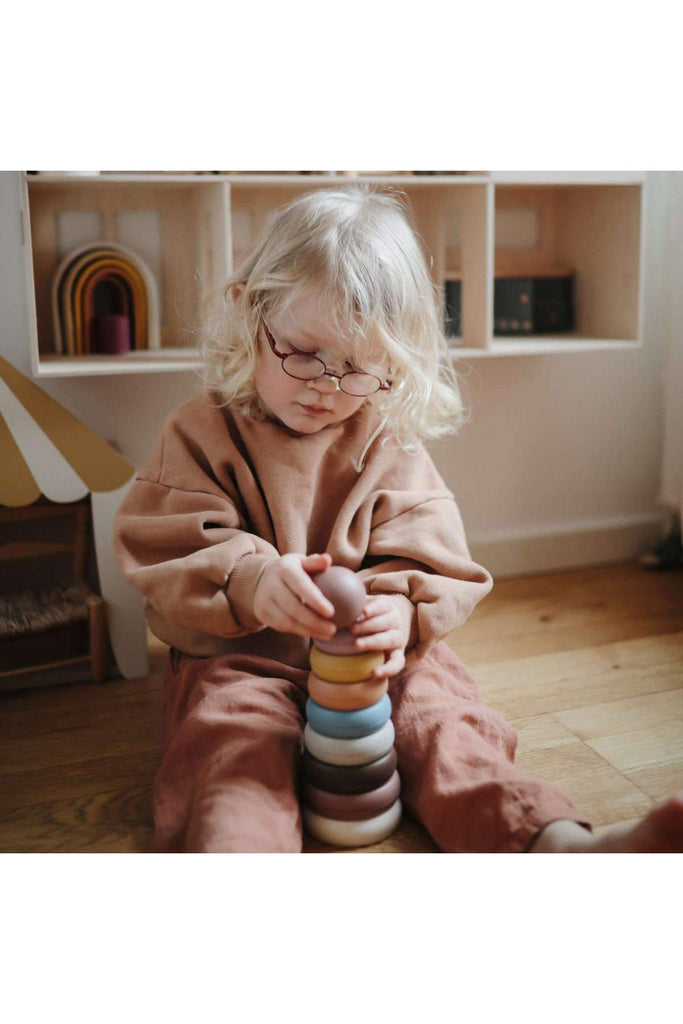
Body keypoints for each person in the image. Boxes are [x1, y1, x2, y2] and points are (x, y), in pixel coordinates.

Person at [113, 185, 683, 853]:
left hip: (379, 662)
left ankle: (555, 843)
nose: (326, 388)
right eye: (301, 352)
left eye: (357, 368)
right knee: (231, 748)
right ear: (248, 314)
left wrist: (403, 614)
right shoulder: (198, 432)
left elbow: (433, 557)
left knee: (445, 725)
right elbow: (165, 543)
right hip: (243, 659)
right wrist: (253, 581)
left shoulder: (385, 440)